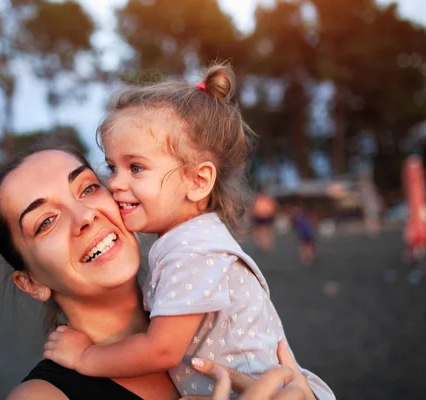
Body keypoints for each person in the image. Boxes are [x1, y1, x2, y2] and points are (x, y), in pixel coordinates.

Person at [43, 65, 334, 399]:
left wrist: (86, 357)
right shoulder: (190, 240)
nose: (115, 183)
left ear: (197, 181)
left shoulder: (192, 250)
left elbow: (161, 350)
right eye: (112, 167)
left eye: (136, 168)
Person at [0, 137, 317, 399]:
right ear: (30, 283)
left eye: (88, 188)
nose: (85, 216)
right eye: (45, 221)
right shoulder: (43, 396)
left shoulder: (217, 329)